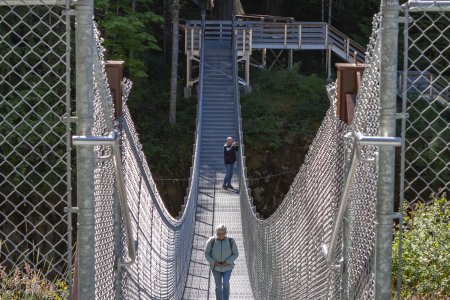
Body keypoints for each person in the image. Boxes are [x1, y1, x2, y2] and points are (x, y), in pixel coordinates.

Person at [204, 224, 239, 300]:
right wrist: (213, 262)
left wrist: (227, 261)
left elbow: (236, 254)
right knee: (218, 286)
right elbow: (206, 254)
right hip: (216, 268)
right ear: (216, 232)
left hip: (227, 267)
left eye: (222, 233)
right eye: (218, 233)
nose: (219, 235)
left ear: (225, 233)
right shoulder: (212, 241)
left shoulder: (231, 241)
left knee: (226, 283)